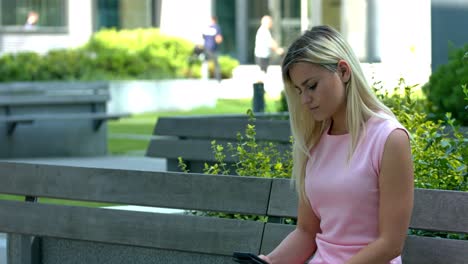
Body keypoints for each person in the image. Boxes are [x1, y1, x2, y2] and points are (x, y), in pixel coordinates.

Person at [258, 25, 414, 264]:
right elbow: (306, 232)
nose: (305, 99)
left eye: (311, 86)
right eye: (299, 90)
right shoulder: (314, 142)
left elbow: (390, 244)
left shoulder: (389, 138)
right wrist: (271, 261)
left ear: (343, 71)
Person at [202, 16, 223, 81]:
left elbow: (203, 37)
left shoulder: (206, 28)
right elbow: (219, 39)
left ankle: (204, 78)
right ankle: (218, 79)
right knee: (216, 64)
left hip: (206, 48)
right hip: (213, 48)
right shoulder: (216, 28)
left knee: (205, 62)